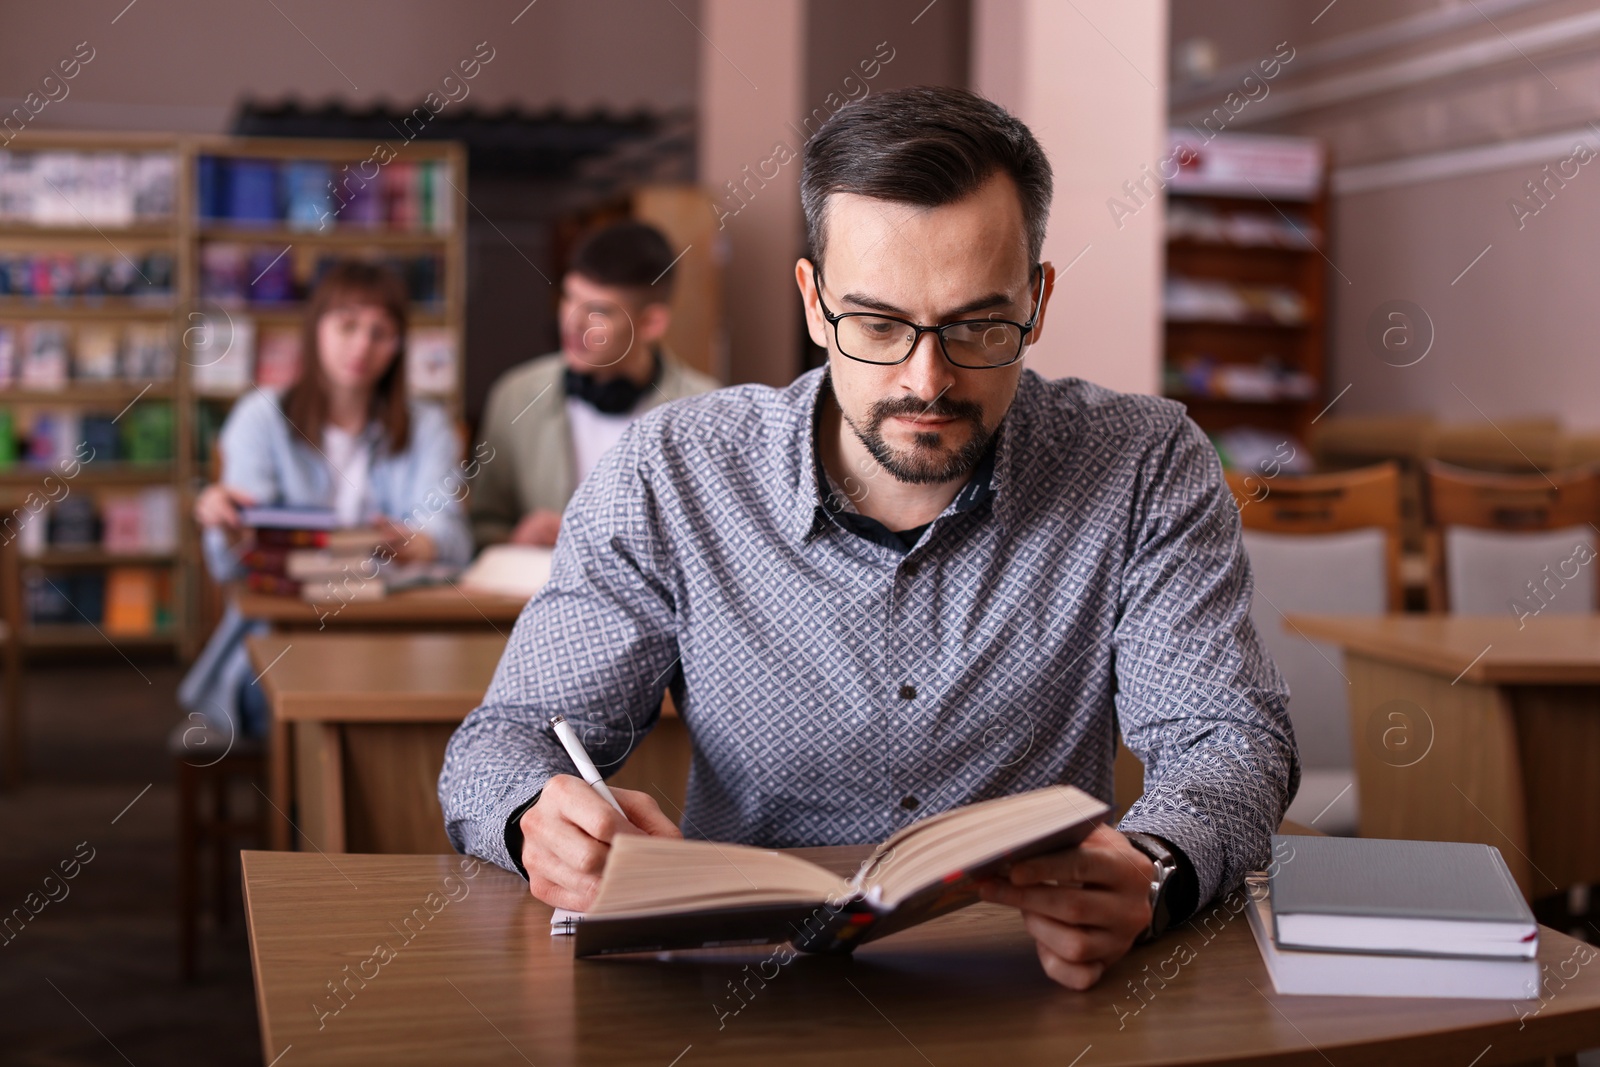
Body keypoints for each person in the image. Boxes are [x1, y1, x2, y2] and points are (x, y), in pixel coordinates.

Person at [438, 86, 1298, 991]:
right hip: (752, 994)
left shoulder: (1143, 462)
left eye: (977, 325)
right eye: (879, 324)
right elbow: (501, 742)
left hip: (1037, 989)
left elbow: (1228, 736)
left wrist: (1155, 871)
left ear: (1037, 302)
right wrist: (537, 814)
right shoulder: (671, 472)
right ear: (814, 304)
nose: (927, 379)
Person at [178, 260, 473, 737]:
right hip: (285, 636)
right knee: (309, 703)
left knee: (437, 698)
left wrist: (419, 543)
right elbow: (231, 569)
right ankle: (314, 807)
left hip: (394, 631)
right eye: (348, 325)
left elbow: (454, 538)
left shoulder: (428, 426)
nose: (362, 345)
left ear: (399, 346)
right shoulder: (262, 418)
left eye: (381, 332)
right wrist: (233, 532)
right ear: (316, 329)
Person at [469, 220, 720, 548]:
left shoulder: (709, 407)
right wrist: (514, 539)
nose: (572, 322)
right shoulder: (516, 395)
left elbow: (720, 544)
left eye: (598, 311)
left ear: (650, 323)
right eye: (569, 298)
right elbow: (479, 527)